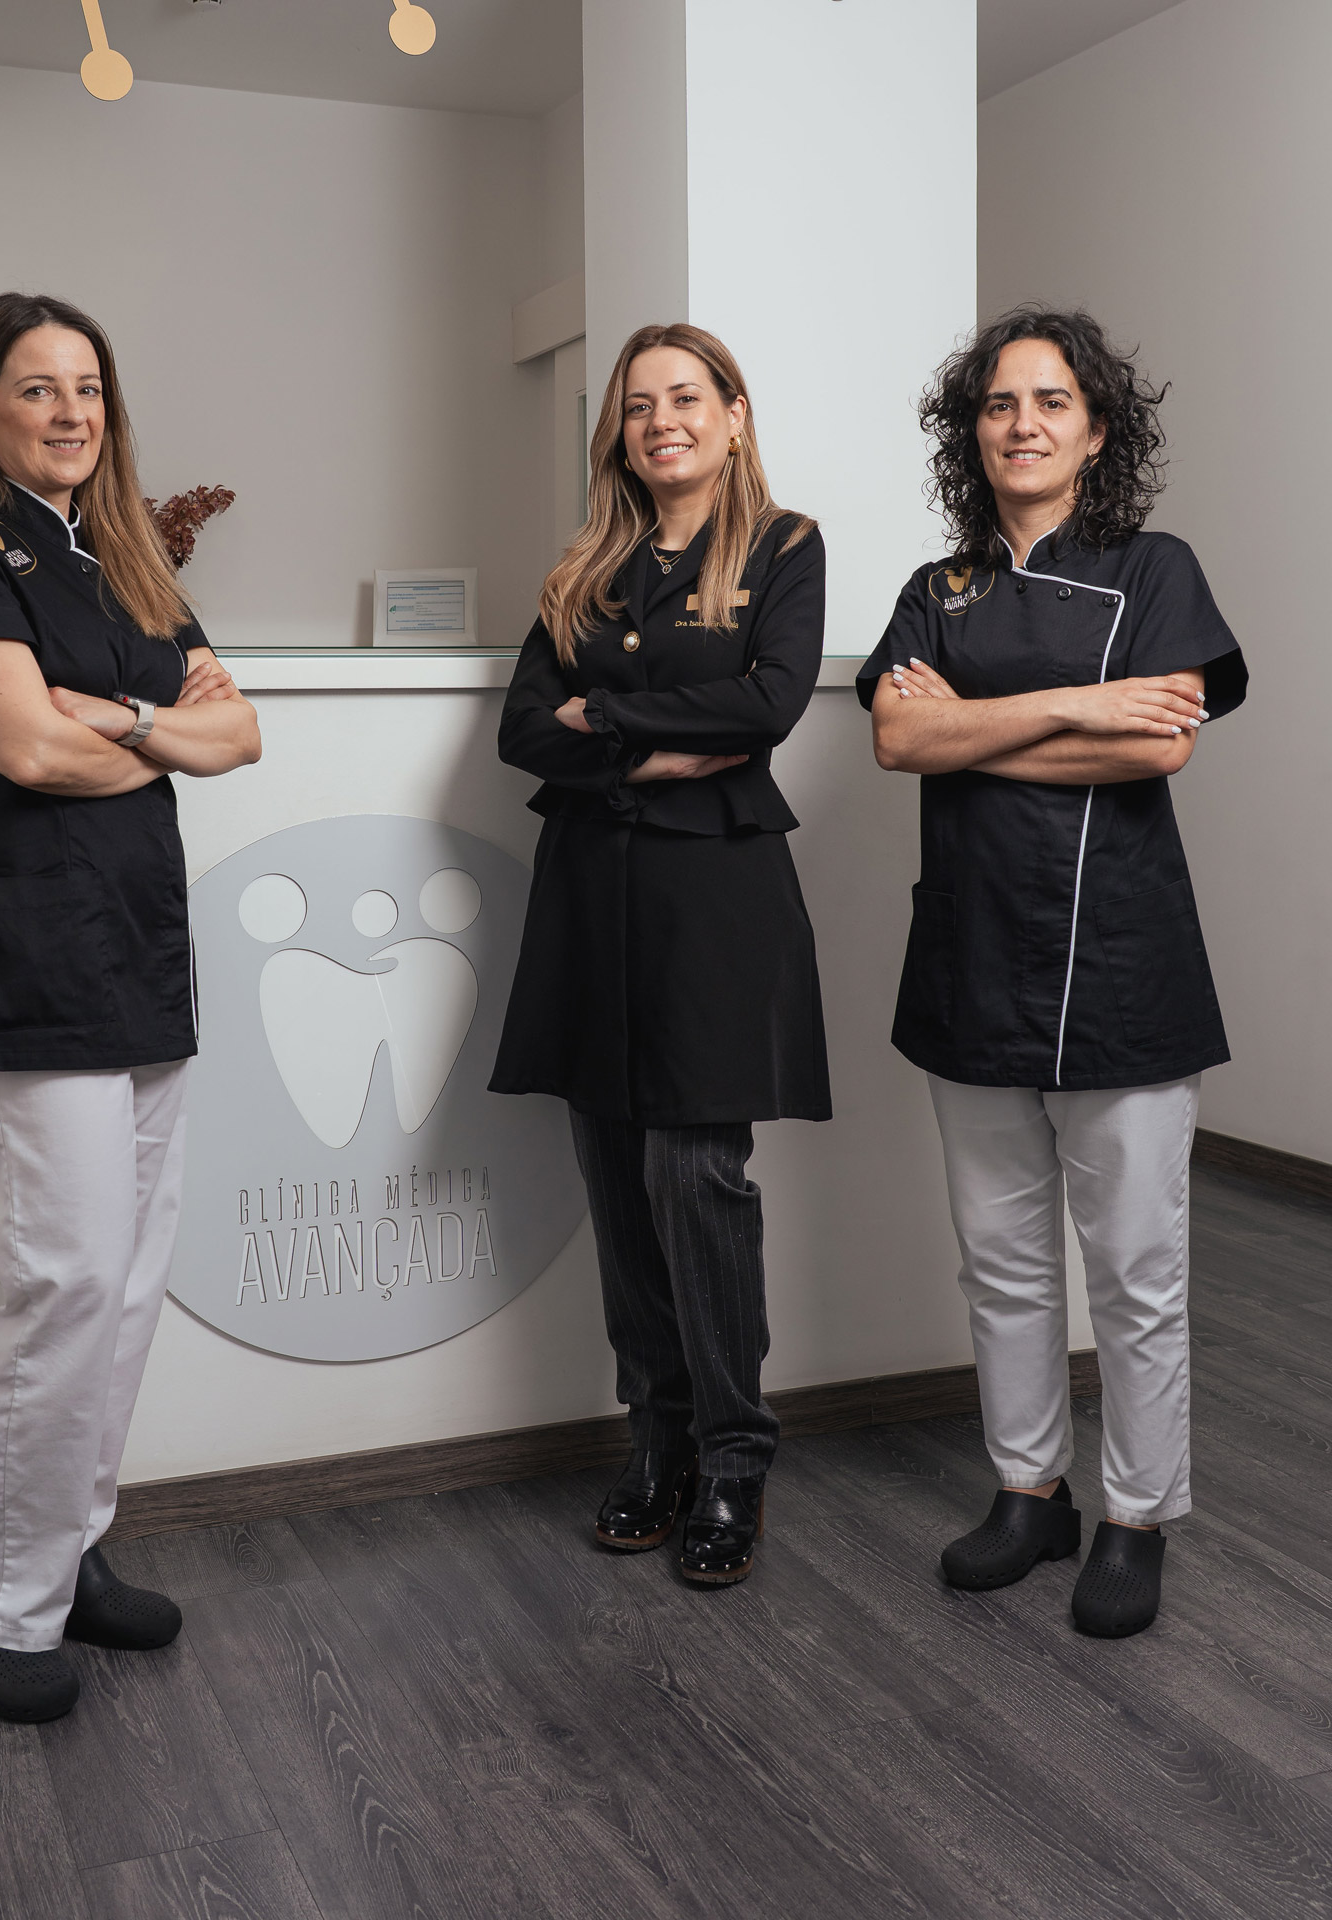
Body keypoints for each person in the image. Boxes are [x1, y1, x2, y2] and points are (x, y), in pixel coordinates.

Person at [0, 292, 261, 1720]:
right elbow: (26, 750)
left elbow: (243, 730)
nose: (69, 412)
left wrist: (126, 721)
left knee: (132, 1280)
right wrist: (156, 733)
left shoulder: (129, 556)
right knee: (68, 1283)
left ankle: (66, 1548)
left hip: (140, 948)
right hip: (29, 951)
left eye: (87, 387)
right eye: (36, 388)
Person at [857, 307, 1247, 1637]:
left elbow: (1160, 747)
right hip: (970, 959)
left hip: (1122, 962)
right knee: (1003, 1260)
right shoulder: (939, 589)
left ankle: (1136, 1514)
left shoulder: (1154, 568)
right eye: (999, 404)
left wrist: (969, 727)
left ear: (1094, 431)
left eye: (1051, 401)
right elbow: (896, 743)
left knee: (1134, 1268)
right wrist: (1080, 702)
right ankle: (1031, 1494)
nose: (1022, 423)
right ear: (971, 433)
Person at [491, 322, 828, 1587]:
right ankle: (659, 1441)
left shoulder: (784, 547)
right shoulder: (583, 567)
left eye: (686, 398)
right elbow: (526, 731)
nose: (662, 422)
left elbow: (769, 703)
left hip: (714, 898)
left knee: (696, 1174)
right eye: (639, 406)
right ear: (618, 433)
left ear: (733, 415)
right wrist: (649, 749)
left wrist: (606, 715)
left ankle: (735, 1457)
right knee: (615, 1173)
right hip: (592, 895)